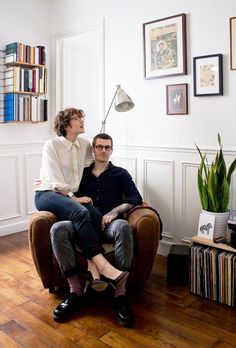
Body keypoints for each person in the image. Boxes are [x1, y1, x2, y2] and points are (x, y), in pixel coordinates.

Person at [34, 108, 131, 324]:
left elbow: (95, 159)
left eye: (82, 118)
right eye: (77, 119)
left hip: (70, 198)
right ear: (66, 124)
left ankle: (108, 283)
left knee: (92, 213)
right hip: (48, 193)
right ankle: (87, 280)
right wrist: (72, 196)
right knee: (79, 211)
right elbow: (52, 178)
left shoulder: (84, 145)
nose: (82, 121)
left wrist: (126, 205)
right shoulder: (52, 145)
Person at [50, 133, 143, 327]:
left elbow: (135, 198)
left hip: (109, 225)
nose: (103, 150)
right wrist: (45, 184)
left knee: (124, 227)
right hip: (82, 225)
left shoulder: (121, 173)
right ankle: (75, 289)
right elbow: (62, 189)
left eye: (107, 147)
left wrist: (115, 212)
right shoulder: (79, 175)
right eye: (99, 146)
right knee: (58, 228)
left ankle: (120, 293)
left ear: (111, 150)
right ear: (92, 149)